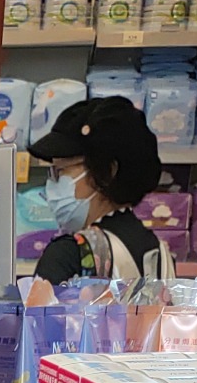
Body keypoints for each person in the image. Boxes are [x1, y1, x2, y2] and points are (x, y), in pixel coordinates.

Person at [29, 97, 171, 285]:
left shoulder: (68, 254)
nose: (51, 183)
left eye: (60, 171)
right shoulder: (156, 248)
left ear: (107, 173)